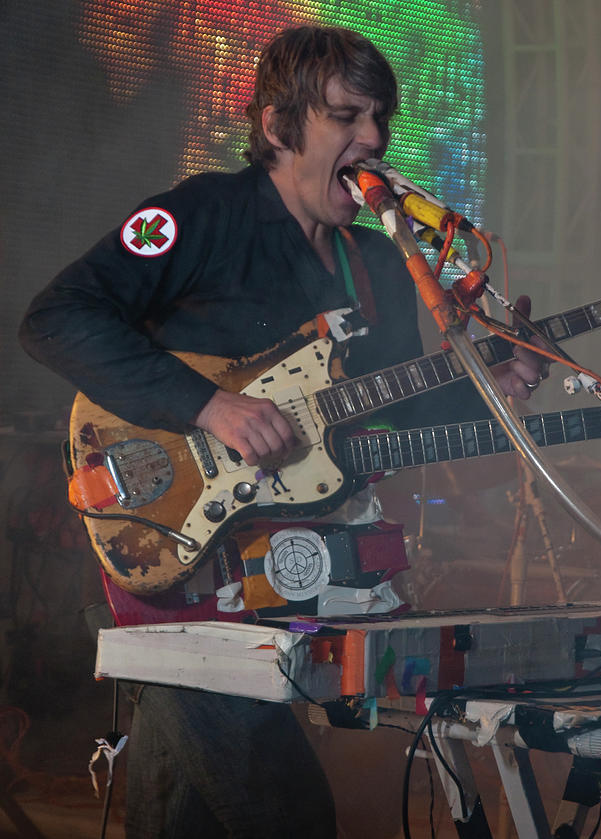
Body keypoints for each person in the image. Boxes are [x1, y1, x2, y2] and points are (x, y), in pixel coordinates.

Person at [19, 25, 544, 837]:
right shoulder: (199, 214)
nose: (373, 140)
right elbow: (56, 319)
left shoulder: (376, 264)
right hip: (182, 557)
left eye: (381, 120)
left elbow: (396, 408)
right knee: (286, 812)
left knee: (182, 815)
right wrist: (208, 405)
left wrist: (493, 388)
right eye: (346, 117)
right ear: (276, 126)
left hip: (290, 581)